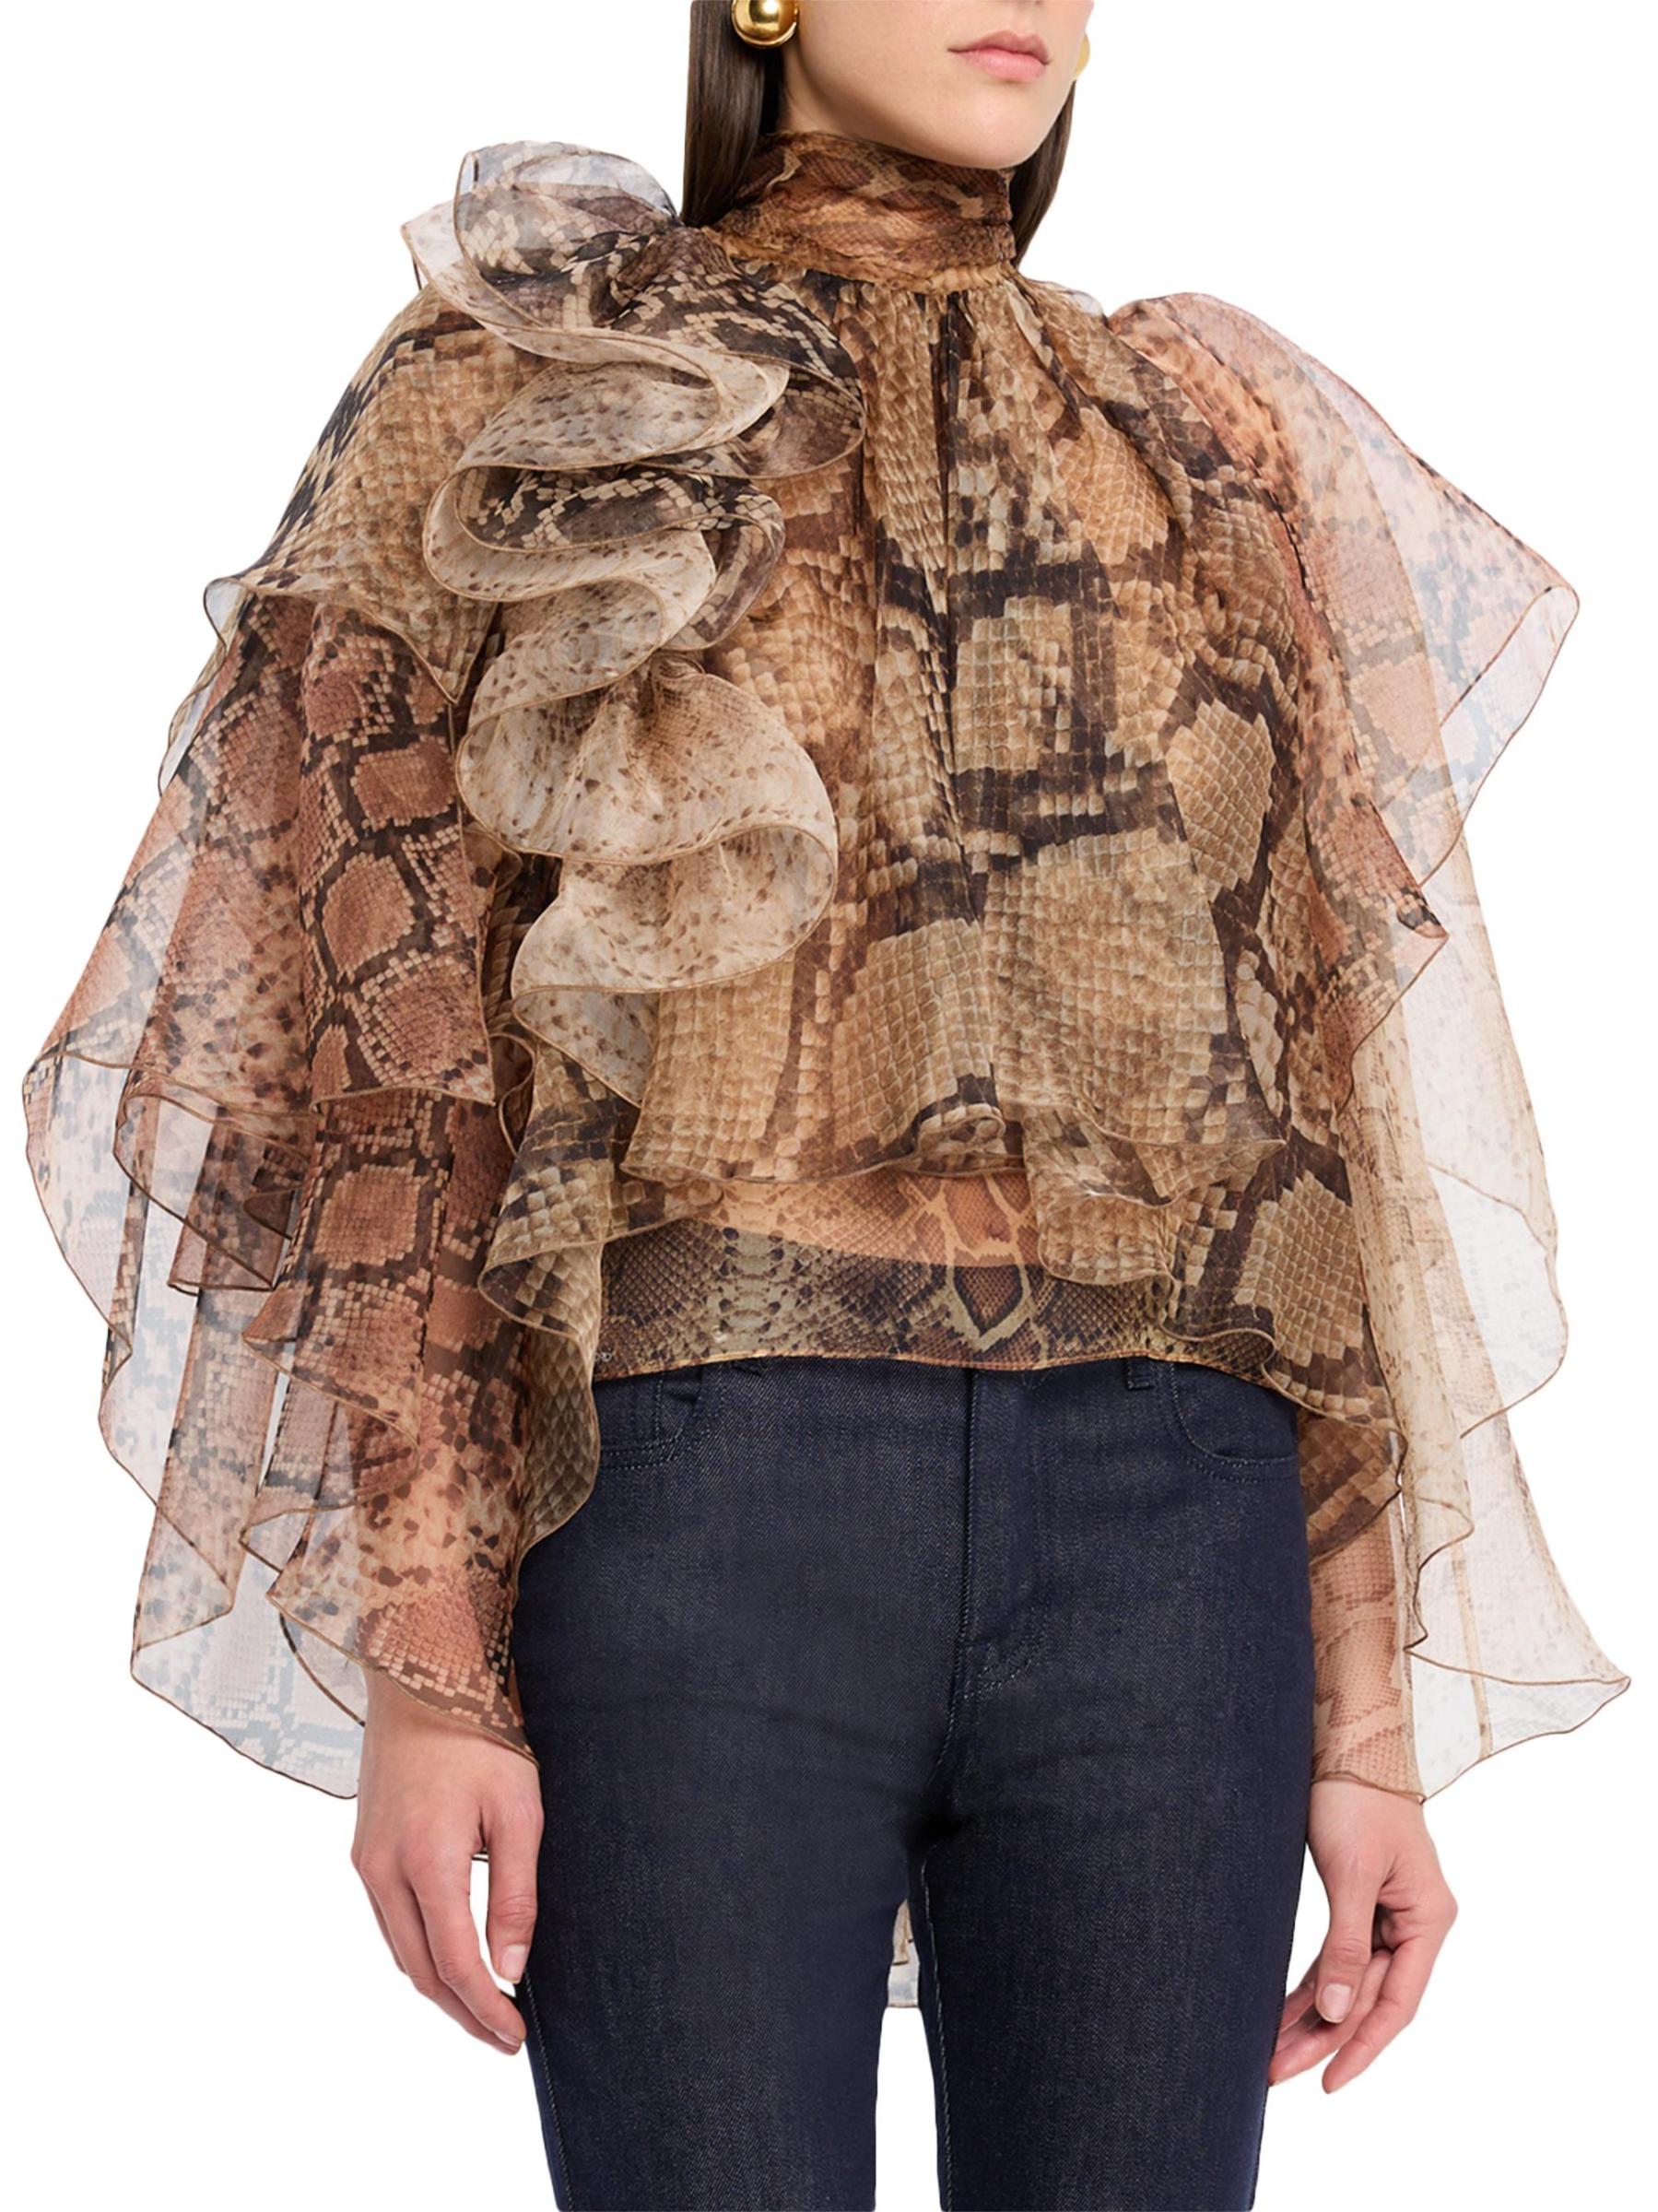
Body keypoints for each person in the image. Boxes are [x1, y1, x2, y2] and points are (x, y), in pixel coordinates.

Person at [20, 3, 1628, 2207]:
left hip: (1177, 1545)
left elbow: (1313, 1130)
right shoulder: (532, 379)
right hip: (694, 1512)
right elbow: (376, 1057)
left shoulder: (1206, 430)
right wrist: (431, 1663)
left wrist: (1370, 1731)